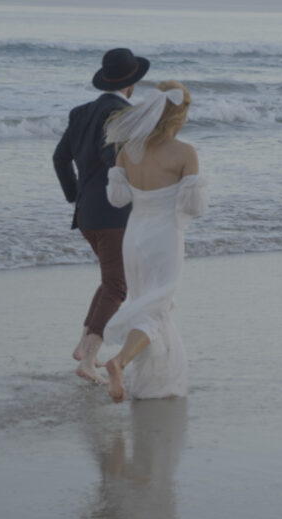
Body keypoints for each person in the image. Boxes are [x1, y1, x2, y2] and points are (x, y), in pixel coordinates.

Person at [101, 81, 207, 403]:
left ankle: (151, 383)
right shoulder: (185, 153)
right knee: (157, 308)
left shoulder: (127, 150)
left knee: (144, 302)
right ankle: (119, 362)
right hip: (164, 237)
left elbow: (118, 199)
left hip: (134, 236)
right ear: (180, 114)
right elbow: (195, 208)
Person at [53, 48, 149, 385]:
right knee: (118, 286)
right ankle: (89, 357)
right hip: (114, 214)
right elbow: (114, 160)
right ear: (132, 83)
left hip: (87, 215)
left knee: (110, 280)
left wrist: (74, 195)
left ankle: (84, 347)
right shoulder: (124, 115)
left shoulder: (82, 112)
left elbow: (59, 158)